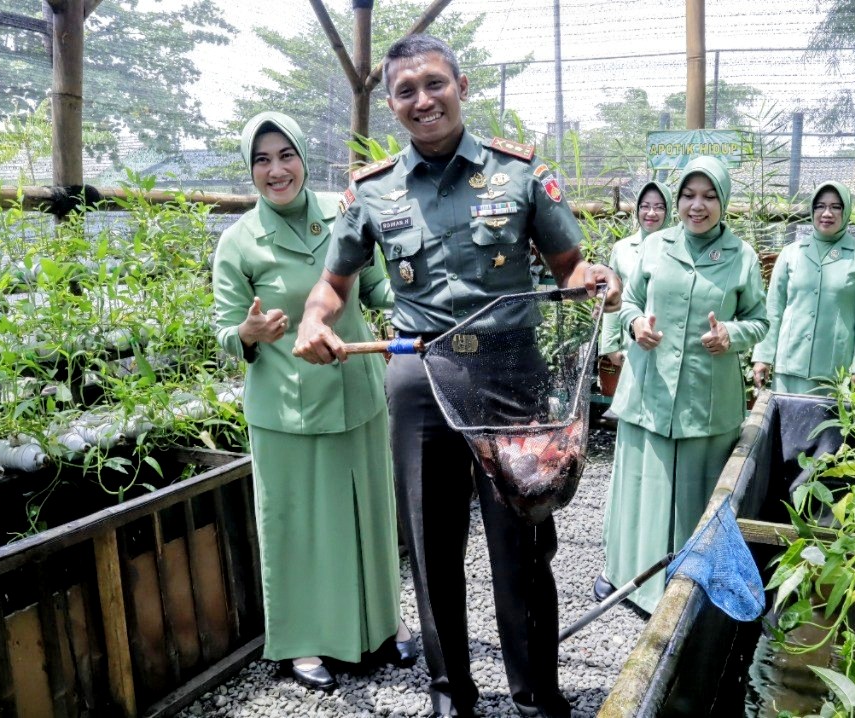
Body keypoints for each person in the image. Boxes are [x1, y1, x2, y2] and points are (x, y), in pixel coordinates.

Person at [293, 35, 619, 718]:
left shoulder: (520, 173)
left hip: (510, 376)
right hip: (419, 375)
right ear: (390, 104)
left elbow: (568, 269)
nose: (422, 100)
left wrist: (594, 279)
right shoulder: (374, 190)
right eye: (406, 91)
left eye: (434, 84)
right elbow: (332, 285)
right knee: (431, 544)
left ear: (462, 87)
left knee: (521, 543)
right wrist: (313, 322)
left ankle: (537, 696)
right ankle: (451, 695)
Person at [211, 111, 413, 693]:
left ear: (302, 155)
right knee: (296, 528)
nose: (277, 170)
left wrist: (408, 299)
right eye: (262, 160)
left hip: (356, 395)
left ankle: (381, 626)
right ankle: (303, 643)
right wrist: (246, 334)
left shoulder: (341, 213)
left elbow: (376, 287)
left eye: (285, 155)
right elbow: (226, 329)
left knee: (370, 515)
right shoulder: (240, 241)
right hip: (285, 412)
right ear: (251, 170)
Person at [598, 156, 769, 613]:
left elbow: (760, 320)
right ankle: (626, 579)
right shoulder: (655, 247)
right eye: (689, 196)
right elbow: (630, 300)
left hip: (705, 398)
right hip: (650, 390)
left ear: (724, 202)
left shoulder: (742, 256)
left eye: (710, 196)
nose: (698, 206)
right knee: (642, 485)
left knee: (697, 489)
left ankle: (690, 587)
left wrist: (730, 334)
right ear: (677, 202)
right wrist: (635, 326)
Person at [752, 181, 855, 396]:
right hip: (789, 368)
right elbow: (774, 309)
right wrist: (763, 356)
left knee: (828, 429)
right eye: (820, 206)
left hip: (834, 373)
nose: (827, 213)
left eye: (836, 207)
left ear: (846, 210)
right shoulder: (791, 253)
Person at [598, 180, 675, 366]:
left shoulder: (680, 249)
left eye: (658, 207)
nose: (651, 213)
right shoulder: (622, 249)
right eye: (645, 206)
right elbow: (613, 299)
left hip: (671, 347)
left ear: (669, 211)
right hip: (632, 347)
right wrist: (610, 346)